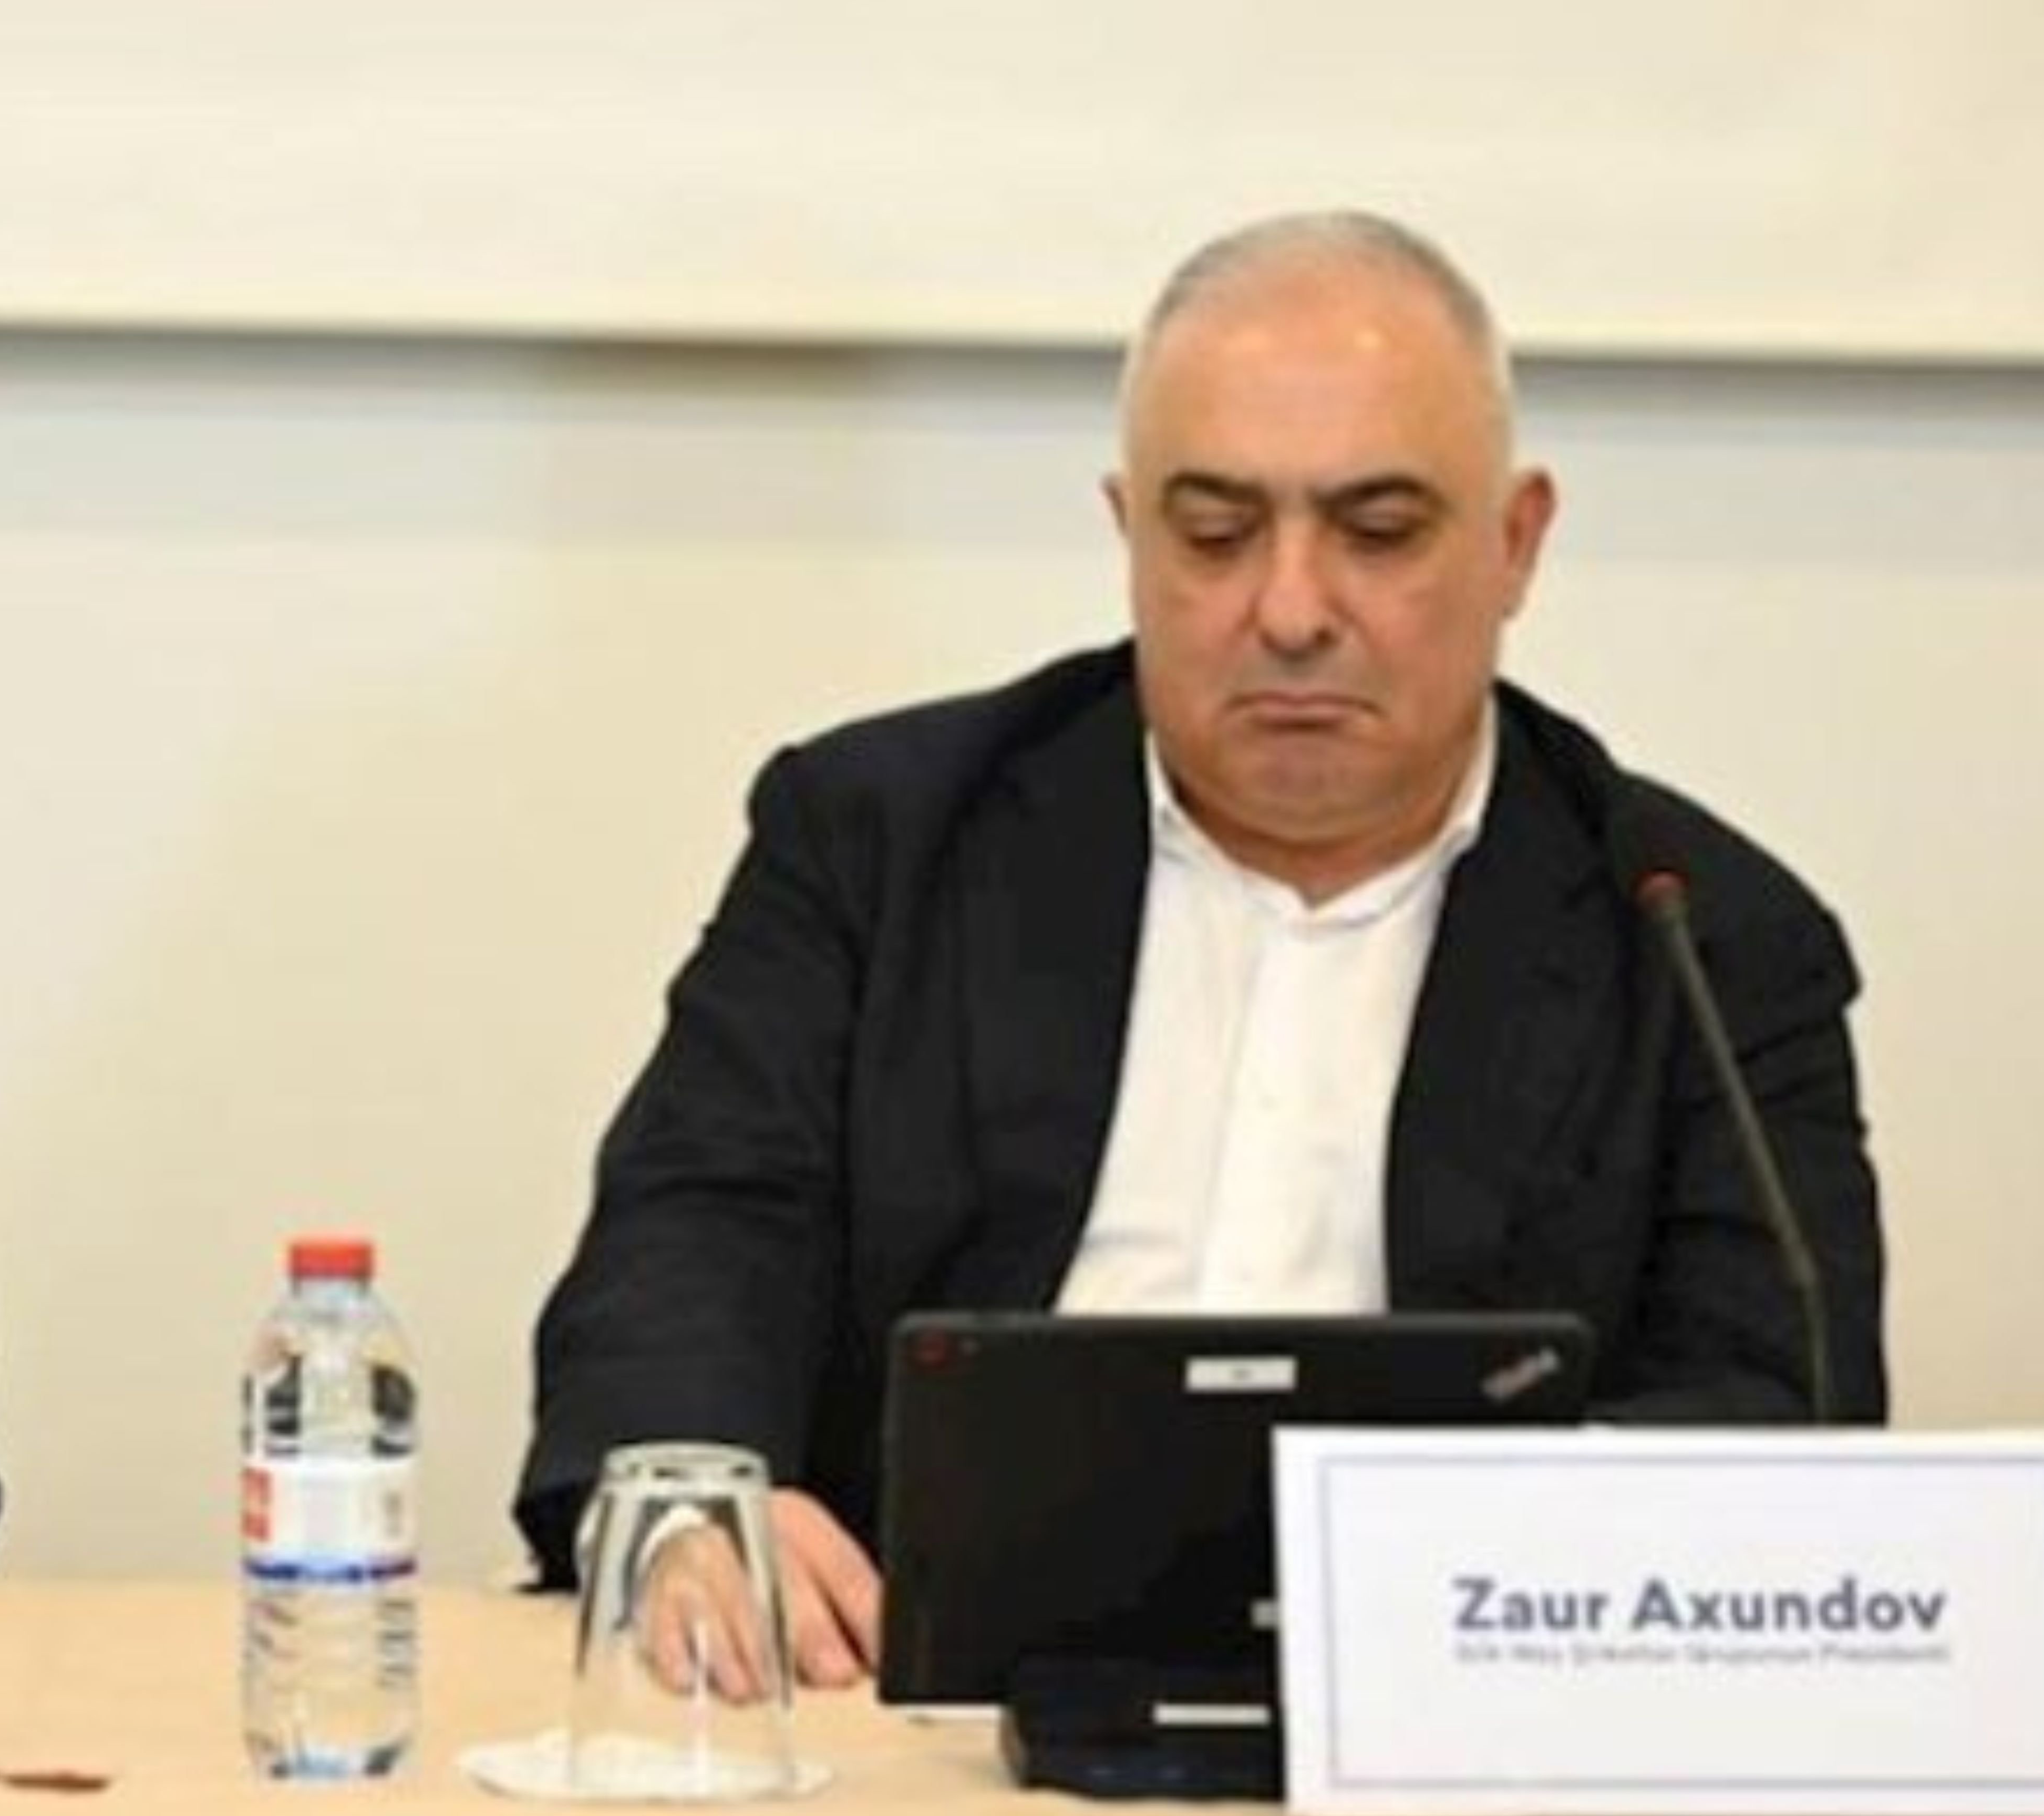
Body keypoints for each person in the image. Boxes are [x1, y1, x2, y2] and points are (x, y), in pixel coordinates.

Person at [517, 212, 1884, 1690]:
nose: (1290, 611)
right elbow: (695, 1235)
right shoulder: (878, 841)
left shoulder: (1700, 933)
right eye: (1217, 534)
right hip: (914, 1707)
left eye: (1378, 532)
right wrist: (690, 1507)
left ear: (1515, 542)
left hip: (1454, 1710)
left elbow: (1772, 1406)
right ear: (1130, 533)